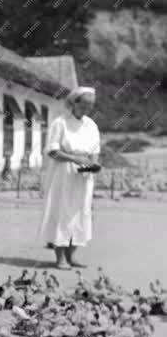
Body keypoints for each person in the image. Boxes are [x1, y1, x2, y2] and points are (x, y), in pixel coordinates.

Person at [38, 86, 101, 270]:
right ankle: (60, 258)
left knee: (82, 212)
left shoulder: (91, 125)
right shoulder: (61, 123)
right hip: (63, 172)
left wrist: (93, 165)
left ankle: (71, 255)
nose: (87, 109)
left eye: (90, 106)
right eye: (84, 105)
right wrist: (75, 159)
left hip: (84, 175)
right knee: (63, 211)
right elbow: (52, 151)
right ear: (74, 103)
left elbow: (95, 150)